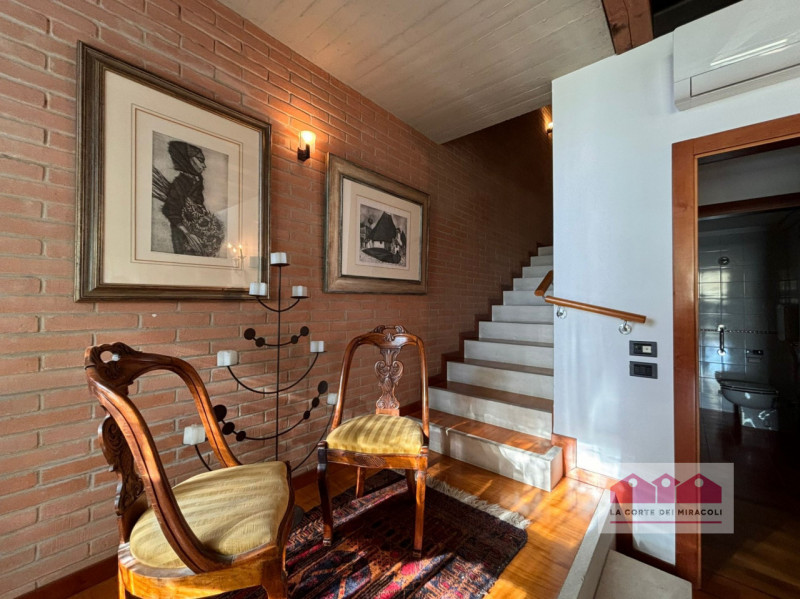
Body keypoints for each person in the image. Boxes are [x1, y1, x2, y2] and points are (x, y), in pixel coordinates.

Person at [161, 141, 224, 256]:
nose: (204, 165)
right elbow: (170, 210)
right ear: (188, 160)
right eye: (200, 160)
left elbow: (198, 206)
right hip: (184, 234)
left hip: (197, 232)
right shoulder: (179, 183)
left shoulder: (197, 181)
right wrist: (188, 234)